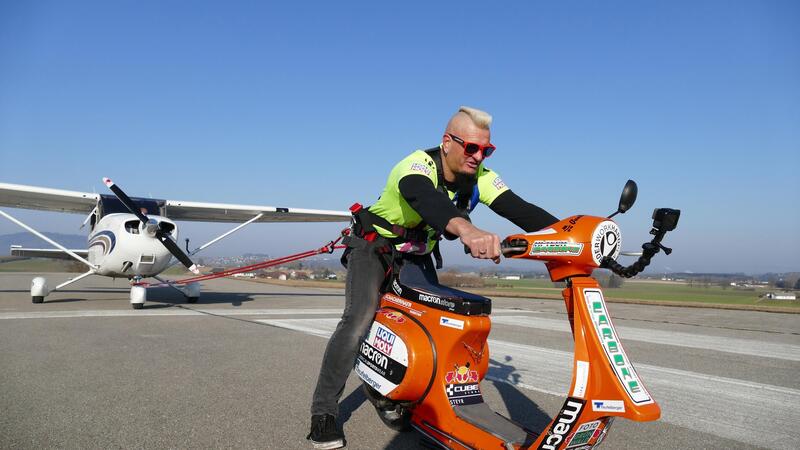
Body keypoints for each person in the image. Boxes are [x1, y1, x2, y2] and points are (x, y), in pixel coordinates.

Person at [307, 106, 558, 449]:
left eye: (486, 150)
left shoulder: (481, 177)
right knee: (358, 320)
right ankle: (323, 413)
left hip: (416, 253)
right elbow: (423, 198)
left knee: (437, 320)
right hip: (374, 246)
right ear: (447, 143)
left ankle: (402, 396)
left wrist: (575, 234)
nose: (478, 156)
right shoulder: (416, 165)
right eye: (471, 147)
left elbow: (521, 209)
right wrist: (467, 230)